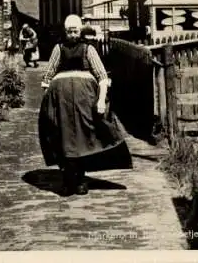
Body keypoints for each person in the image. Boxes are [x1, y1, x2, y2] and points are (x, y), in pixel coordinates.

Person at [38, 14, 132, 197]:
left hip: (84, 101)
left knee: (84, 137)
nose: (72, 34)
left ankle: (80, 180)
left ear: (80, 30)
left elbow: (102, 77)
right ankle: (67, 180)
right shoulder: (58, 48)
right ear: (64, 32)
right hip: (62, 102)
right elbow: (48, 75)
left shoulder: (88, 49)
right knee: (62, 138)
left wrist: (101, 101)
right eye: (68, 31)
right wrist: (48, 102)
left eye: (75, 31)